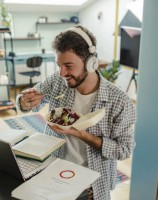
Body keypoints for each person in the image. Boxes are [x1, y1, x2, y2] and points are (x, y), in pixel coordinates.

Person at [16, 24, 136, 200]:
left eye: (68, 66)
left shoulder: (119, 101)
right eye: (59, 65)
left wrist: (83, 135)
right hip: (51, 171)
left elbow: (124, 151)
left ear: (90, 62)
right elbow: (23, 102)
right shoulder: (58, 80)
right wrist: (25, 101)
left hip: (90, 186)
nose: (62, 72)